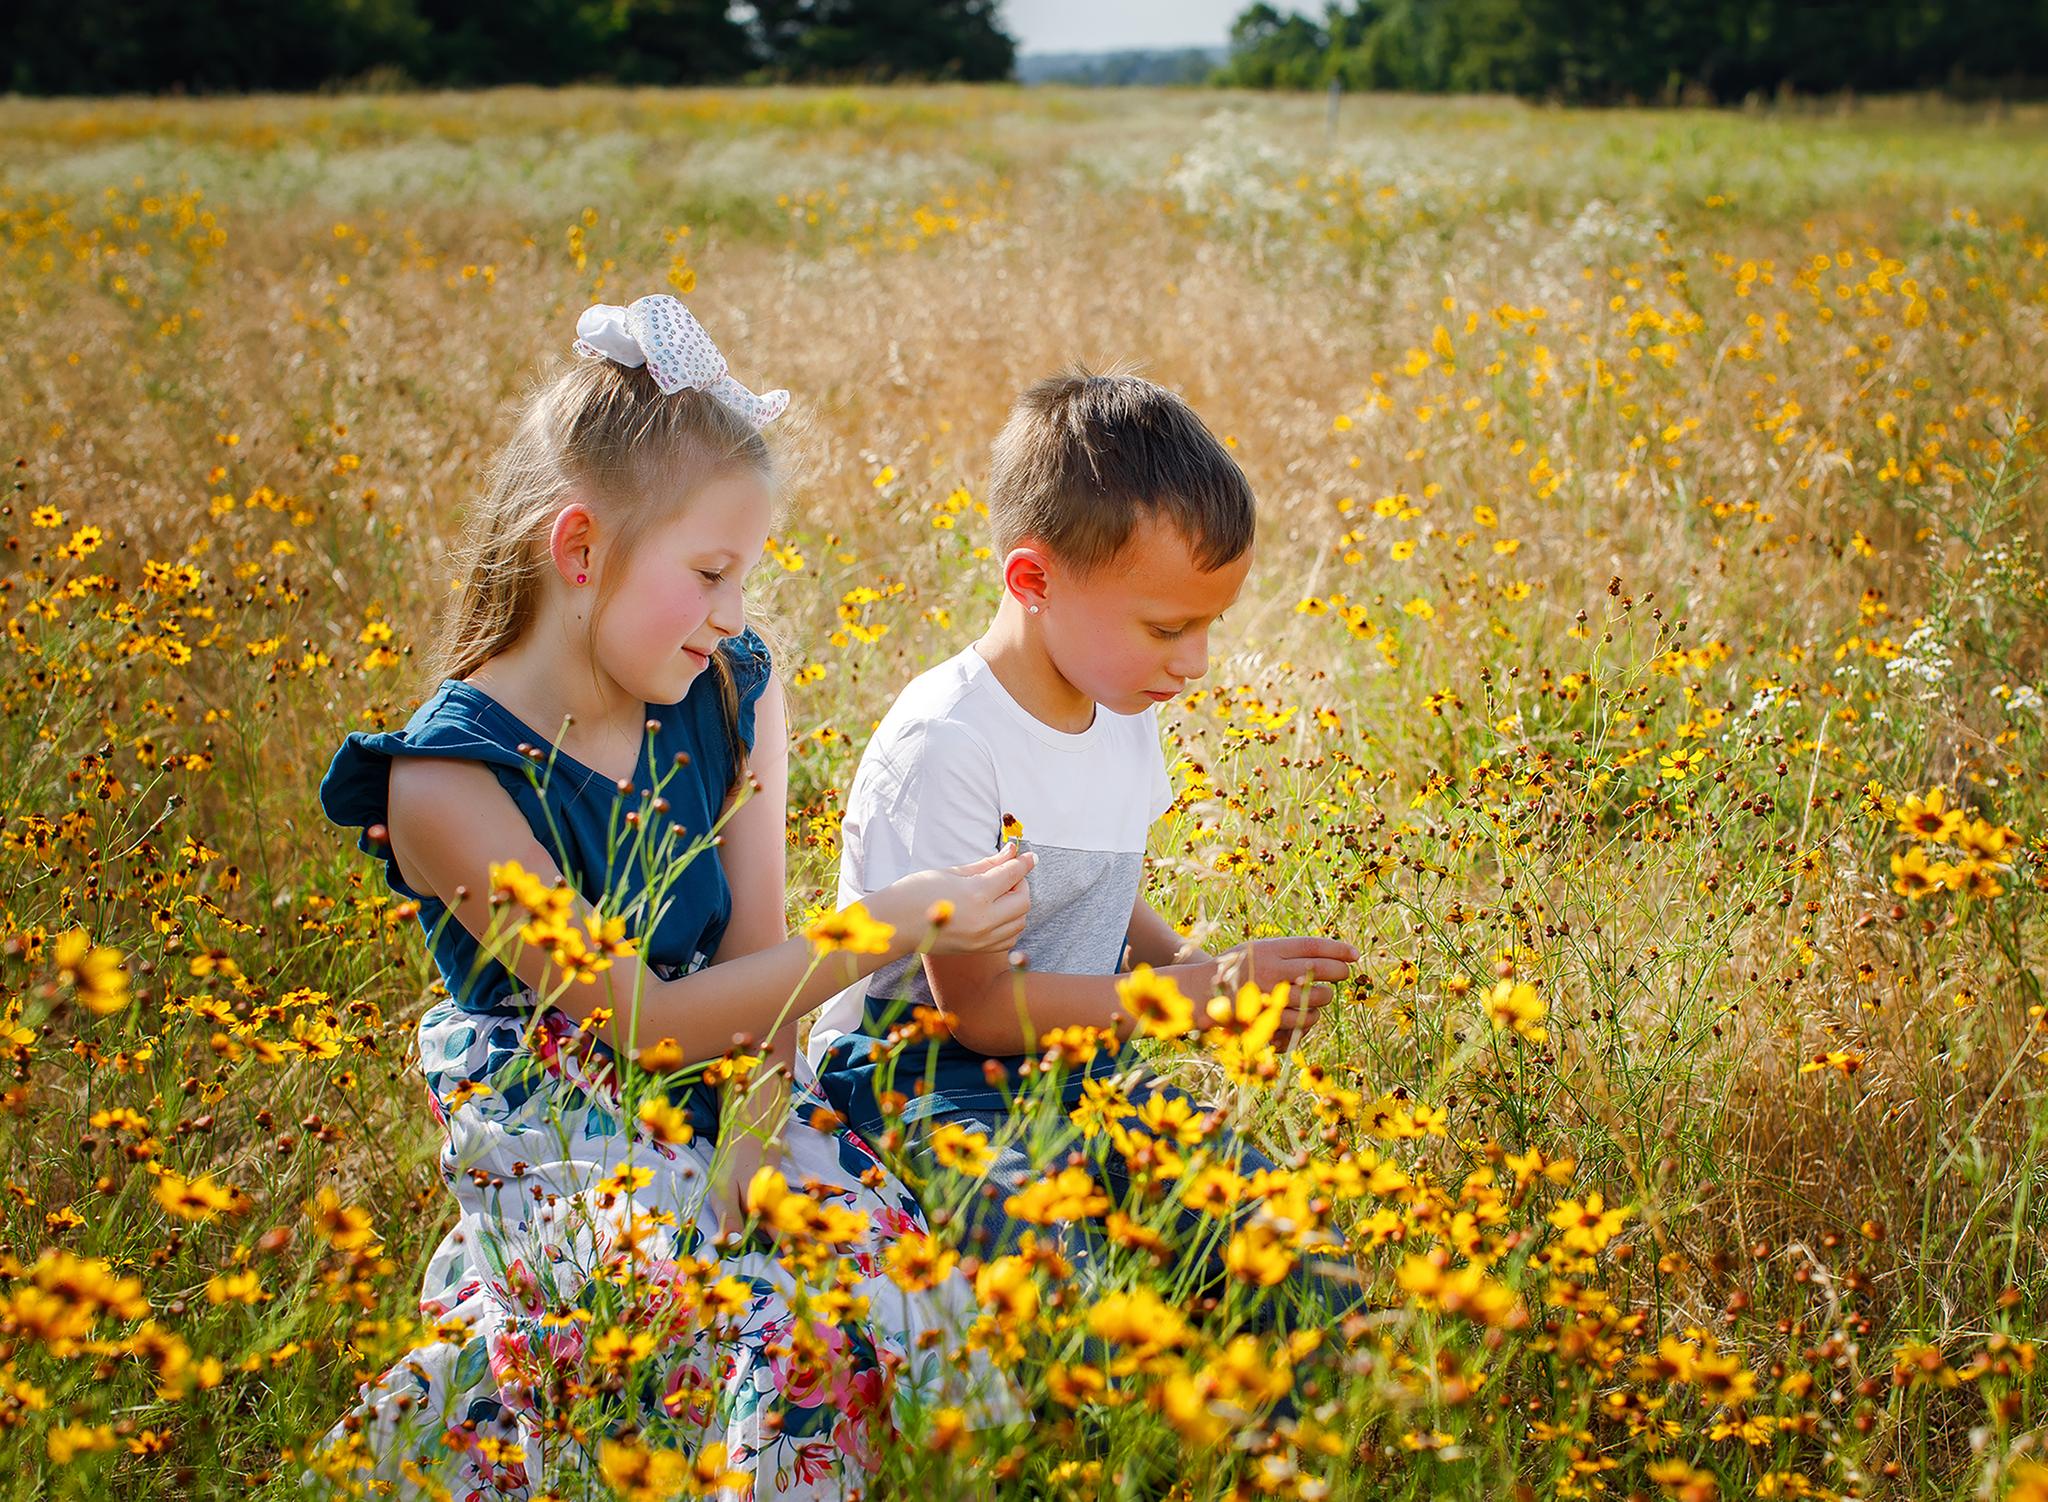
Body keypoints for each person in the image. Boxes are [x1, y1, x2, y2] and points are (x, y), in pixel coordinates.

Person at [311, 294, 1030, 1499]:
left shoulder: (732, 691)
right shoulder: (449, 782)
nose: (733, 612)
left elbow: (755, 953)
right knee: (677, 1337)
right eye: (707, 571)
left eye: (741, 573)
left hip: (739, 1071)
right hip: (558, 1117)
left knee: (884, 1287)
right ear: (581, 551)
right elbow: (635, 1019)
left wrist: (754, 1135)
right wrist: (896, 920)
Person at [806, 367, 1358, 1315]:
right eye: (1168, 627)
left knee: (1295, 1251)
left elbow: (1100, 893)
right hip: (922, 1082)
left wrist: (1201, 968)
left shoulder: (1119, 703)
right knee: (1064, 1300)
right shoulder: (952, 740)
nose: (1196, 664)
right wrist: (1194, 994)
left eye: (1209, 627)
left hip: (1079, 1064)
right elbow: (976, 1011)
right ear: (1033, 580)